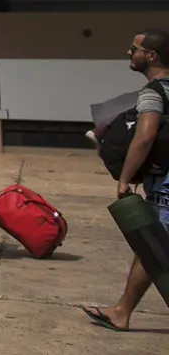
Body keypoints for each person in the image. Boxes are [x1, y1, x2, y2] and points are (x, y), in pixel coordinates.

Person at [83, 29, 169, 333]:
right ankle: (122, 310)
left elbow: (144, 137)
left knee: (153, 247)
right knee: (152, 248)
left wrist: (124, 177)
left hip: (167, 184)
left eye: (133, 49)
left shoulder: (155, 93)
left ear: (151, 55)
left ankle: (121, 312)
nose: (128, 53)